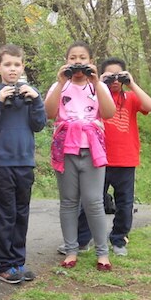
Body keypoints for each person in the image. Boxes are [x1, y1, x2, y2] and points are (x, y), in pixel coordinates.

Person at [44, 42, 116, 271]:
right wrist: (61, 82)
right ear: (66, 61)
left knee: (94, 201)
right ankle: (70, 249)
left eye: (82, 58)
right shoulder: (59, 85)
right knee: (68, 201)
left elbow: (109, 113)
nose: (77, 62)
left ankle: (102, 253)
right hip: (65, 148)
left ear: (90, 61)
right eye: (72, 57)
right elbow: (48, 113)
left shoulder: (98, 86)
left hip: (92, 148)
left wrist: (96, 82)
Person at [0, 45, 47, 283]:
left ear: (23, 67)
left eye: (17, 65)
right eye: (7, 64)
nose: (12, 69)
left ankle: (18, 261)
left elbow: (40, 124)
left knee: (21, 214)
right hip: (1, 164)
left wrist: (36, 100)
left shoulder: (31, 94)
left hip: (25, 163)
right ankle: (2, 263)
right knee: (4, 215)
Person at [74, 58, 151, 256]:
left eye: (119, 76)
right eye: (110, 76)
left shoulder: (131, 98)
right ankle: (83, 239)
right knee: (92, 200)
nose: (115, 80)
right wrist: (99, 83)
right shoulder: (97, 96)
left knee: (125, 203)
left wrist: (132, 83)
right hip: (99, 158)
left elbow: (150, 106)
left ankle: (119, 239)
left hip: (126, 159)